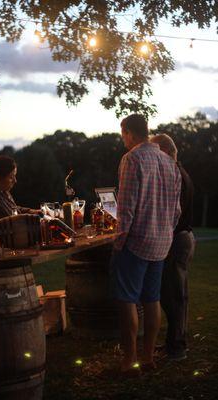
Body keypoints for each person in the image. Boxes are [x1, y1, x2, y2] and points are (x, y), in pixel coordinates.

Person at [110, 114, 182, 375]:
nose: (123, 141)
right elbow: (176, 211)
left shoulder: (133, 159)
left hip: (137, 242)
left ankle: (129, 362)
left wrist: (119, 241)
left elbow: (126, 208)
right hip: (161, 243)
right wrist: (165, 233)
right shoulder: (169, 162)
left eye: (123, 135)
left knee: (127, 300)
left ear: (128, 132)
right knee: (152, 299)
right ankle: (148, 357)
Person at [150, 134, 195, 361]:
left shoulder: (174, 175)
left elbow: (172, 215)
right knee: (177, 295)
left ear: (165, 150)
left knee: (173, 296)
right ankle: (174, 344)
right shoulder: (180, 171)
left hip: (176, 240)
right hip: (183, 239)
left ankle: (177, 349)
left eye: (155, 152)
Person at [0, 155, 40, 236]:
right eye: (11, 177)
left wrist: (32, 212)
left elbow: (13, 209)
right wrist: (11, 234)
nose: (15, 181)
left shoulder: (2, 191)